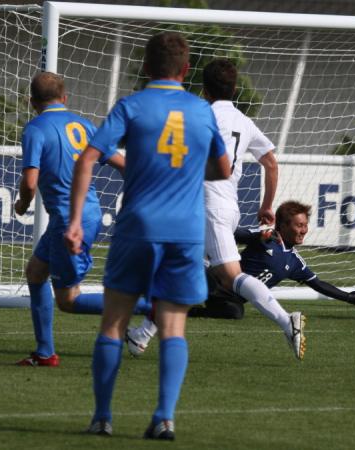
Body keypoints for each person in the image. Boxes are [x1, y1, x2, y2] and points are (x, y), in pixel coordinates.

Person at [64, 32, 230, 440]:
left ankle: (102, 417)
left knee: (114, 323)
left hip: (137, 228)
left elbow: (89, 156)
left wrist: (74, 221)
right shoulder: (202, 110)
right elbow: (223, 170)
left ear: (144, 67)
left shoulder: (132, 105)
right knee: (173, 327)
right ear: (186, 71)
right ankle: (164, 418)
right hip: (186, 233)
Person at [126, 58, 306, 361]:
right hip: (224, 205)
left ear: (204, 88)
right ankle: (142, 334)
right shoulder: (244, 122)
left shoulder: (200, 114)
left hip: (205, 206)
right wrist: (266, 206)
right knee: (179, 267)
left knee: (230, 276)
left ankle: (286, 320)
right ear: (234, 89)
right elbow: (271, 163)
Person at [126, 201, 355, 354]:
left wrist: (351, 298)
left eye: (304, 225)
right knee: (183, 285)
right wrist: (256, 235)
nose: (303, 230)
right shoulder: (266, 236)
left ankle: (176, 315)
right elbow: (232, 233)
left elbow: (319, 284)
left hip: (228, 298)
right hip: (214, 278)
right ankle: (146, 305)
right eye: (298, 225)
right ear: (282, 225)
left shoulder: (295, 262)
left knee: (234, 313)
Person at [13, 72, 126, 367]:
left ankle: (150, 306)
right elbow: (122, 164)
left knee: (68, 300)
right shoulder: (84, 125)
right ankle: (44, 352)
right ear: (65, 98)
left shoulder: (35, 129)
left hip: (69, 221)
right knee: (36, 273)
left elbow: (29, 182)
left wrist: (22, 205)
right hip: (81, 214)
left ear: (31, 102)